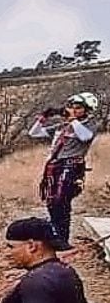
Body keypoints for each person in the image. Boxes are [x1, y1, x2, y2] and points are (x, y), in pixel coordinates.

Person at [29, 92, 99, 249]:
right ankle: (56, 236)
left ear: (87, 109)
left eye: (78, 107)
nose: (73, 109)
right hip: (54, 166)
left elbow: (85, 137)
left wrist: (73, 119)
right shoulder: (63, 127)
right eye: (72, 106)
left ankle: (63, 239)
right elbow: (33, 133)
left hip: (71, 165)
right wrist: (43, 118)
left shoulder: (88, 125)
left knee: (62, 201)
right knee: (51, 201)